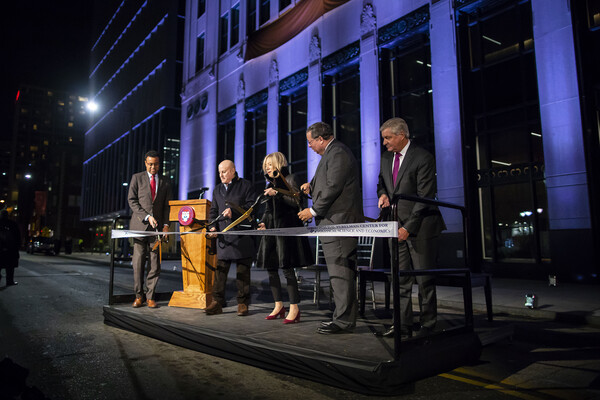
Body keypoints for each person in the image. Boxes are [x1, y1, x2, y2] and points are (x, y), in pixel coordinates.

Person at [376, 118, 446, 338]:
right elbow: (382, 182)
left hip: (421, 227)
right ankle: (402, 324)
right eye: (383, 139)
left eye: (388, 138)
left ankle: (428, 325)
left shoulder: (423, 157)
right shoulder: (386, 158)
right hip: (394, 225)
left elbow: (425, 197)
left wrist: (409, 227)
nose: (385, 143)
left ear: (401, 135)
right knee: (399, 279)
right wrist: (383, 194)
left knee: (424, 280)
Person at [298, 122, 363, 334]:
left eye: (310, 142)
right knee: (338, 273)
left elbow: (334, 186)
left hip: (339, 223)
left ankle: (343, 321)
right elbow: (329, 183)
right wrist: (312, 186)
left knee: (341, 273)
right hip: (333, 223)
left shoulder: (338, 152)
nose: (309, 146)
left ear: (321, 139)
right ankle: (342, 317)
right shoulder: (331, 154)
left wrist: (313, 211)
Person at [257, 152, 313, 324]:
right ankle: (278, 305)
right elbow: (268, 210)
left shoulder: (291, 178)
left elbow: (297, 202)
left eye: (270, 163)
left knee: (288, 270)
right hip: (272, 232)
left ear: (279, 163)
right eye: (265, 164)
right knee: (271, 268)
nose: (267, 166)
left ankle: (294, 308)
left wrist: (278, 194)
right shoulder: (270, 183)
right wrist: (263, 223)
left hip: (286, 232)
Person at [205, 160, 256, 317]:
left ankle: (242, 303)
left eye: (224, 172)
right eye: (219, 172)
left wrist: (234, 213)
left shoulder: (246, 186)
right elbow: (213, 211)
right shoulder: (217, 189)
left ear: (233, 170)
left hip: (241, 236)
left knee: (243, 272)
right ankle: (217, 302)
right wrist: (212, 226)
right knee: (220, 272)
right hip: (224, 238)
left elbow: (252, 209)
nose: (221, 175)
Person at [127, 150, 172, 308]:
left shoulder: (166, 181)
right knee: (138, 263)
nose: (153, 167)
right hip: (140, 227)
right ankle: (139, 296)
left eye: (156, 164)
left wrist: (166, 225)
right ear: (145, 163)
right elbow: (132, 201)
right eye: (150, 164)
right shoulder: (136, 178)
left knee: (154, 264)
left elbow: (167, 207)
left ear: (159, 164)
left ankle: (150, 296)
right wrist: (147, 216)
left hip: (157, 230)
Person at [0, 209, 21, 286]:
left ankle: (9, 281)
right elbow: (18, 237)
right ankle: (9, 281)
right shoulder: (12, 224)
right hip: (10, 250)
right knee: (10, 267)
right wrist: (17, 247)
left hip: (1, 250)